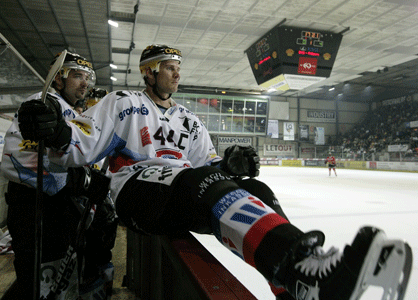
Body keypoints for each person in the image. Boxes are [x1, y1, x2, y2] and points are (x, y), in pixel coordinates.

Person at [16, 45, 410, 300]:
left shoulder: (189, 119)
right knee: (193, 180)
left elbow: (207, 169)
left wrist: (230, 167)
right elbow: (82, 146)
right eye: (168, 68)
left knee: (255, 188)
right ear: (149, 73)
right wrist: (58, 130)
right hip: (136, 192)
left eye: (178, 68)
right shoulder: (123, 101)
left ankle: (294, 285)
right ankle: (299, 266)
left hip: (181, 189)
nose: (176, 74)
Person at [0, 51, 114, 299]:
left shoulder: (70, 112)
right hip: (36, 210)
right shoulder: (43, 104)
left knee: (57, 283)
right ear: (59, 79)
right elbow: (21, 161)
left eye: (87, 77)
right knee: (39, 285)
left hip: (60, 211)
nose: (85, 83)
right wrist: (82, 181)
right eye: (77, 76)